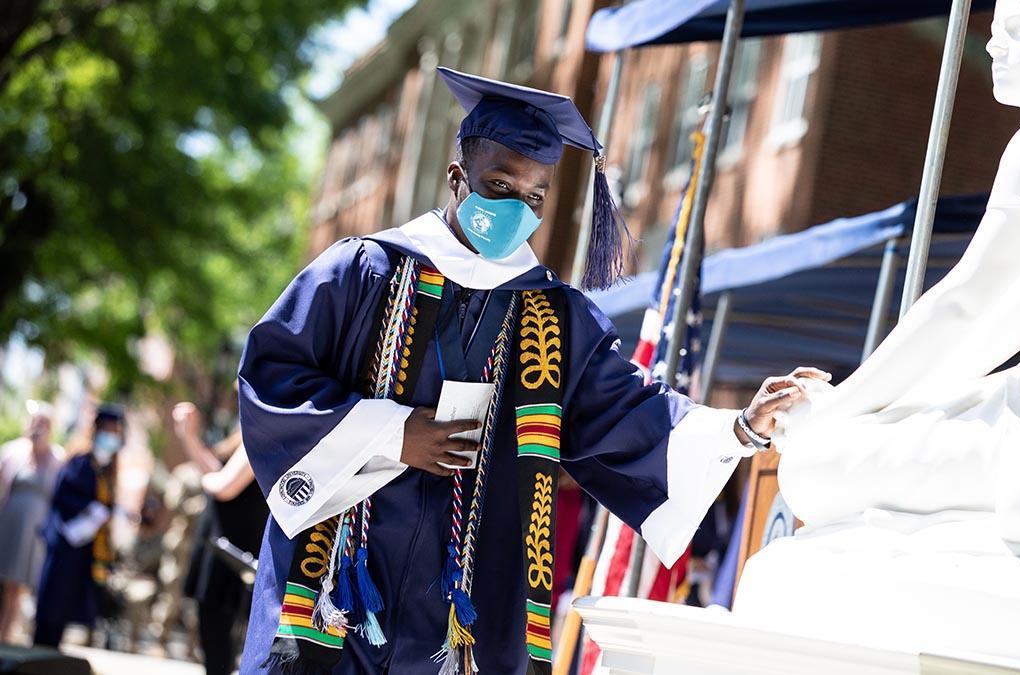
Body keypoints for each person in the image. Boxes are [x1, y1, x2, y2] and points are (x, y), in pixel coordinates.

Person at [238, 67, 828, 675]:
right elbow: (273, 375)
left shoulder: (553, 314)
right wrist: (394, 434)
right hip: (338, 590)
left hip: (461, 616)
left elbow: (626, 410)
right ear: (456, 178)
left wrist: (739, 427)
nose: (516, 207)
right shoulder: (365, 272)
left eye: (534, 196)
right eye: (498, 183)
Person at [773, 0, 1020, 548]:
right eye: (995, 29)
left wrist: (834, 414)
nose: (993, 44)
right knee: (850, 446)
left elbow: (962, 304)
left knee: (810, 467)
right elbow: (1008, 320)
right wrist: (882, 409)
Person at [173, 401, 269, 675]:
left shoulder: (261, 429)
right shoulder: (248, 430)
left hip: (232, 553)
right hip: (223, 548)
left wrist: (203, 480)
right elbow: (217, 470)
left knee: (219, 642)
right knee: (214, 635)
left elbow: (223, 485)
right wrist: (188, 436)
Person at [33, 404, 125, 648]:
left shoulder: (107, 470)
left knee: (65, 607)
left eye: (116, 432)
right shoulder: (80, 462)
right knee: (51, 605)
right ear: (96, 430)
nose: (112, 436)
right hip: (66, 541)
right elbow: (63, 497)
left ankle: (50, 654)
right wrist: (91, 510)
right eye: (109, 430)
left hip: (86, 547)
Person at [0, 401, 64, 643]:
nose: (38, 427)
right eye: (35, 422)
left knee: (18, 587)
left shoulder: (56, 458)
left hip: (34, 530)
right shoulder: (11, 452)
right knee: (5, 584)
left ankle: (7, 636)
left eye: (44, 423)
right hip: (8, 523)